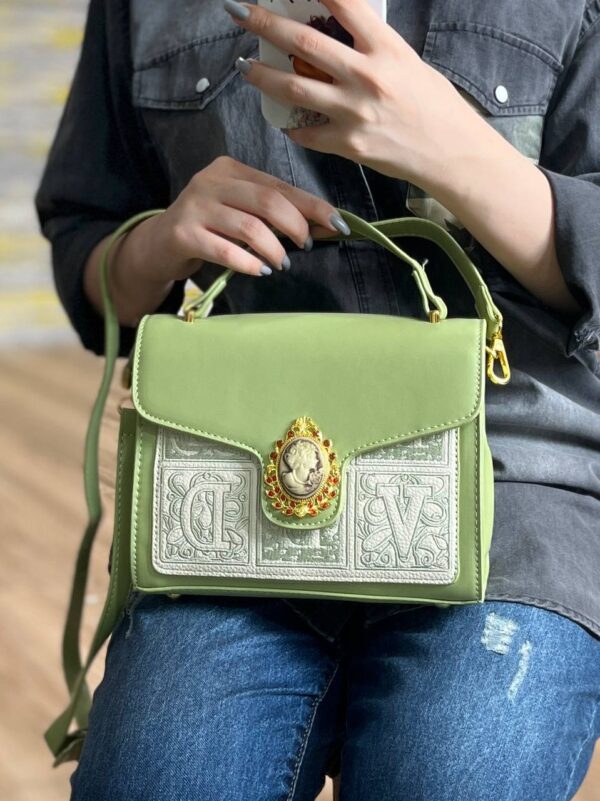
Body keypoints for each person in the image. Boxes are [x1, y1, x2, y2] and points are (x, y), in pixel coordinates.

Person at [35, 1, 600, 798]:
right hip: (234, 474)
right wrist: (161, 241)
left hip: (513, 481)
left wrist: (460, 154)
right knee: (153, 778)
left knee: (449, 773)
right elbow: (86, 257)